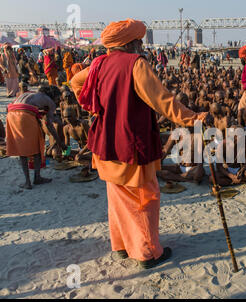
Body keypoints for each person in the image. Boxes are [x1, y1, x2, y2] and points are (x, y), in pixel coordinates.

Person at [71, 19, 210, 269]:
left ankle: (122, 246)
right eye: (139, 40)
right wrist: (195, 117)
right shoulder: (136, 64)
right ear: (131, 42)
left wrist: (96, 107)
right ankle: (148, 253)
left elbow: (76, 83)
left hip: (104, 143)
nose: (141, 44)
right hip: (130, 143)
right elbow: (163, 102)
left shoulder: (98, 63)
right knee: (145, 196)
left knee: (118, 196)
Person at [6, 86, 67, 189]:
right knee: (37, 148)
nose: (58, 101)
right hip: (25, 116)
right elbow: (49, 125)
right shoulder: (49, 101)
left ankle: (27, 182)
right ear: (54, 95)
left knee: (22, 151)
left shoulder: (32, 94)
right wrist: (60, 142)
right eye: (58, 98)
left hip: (11, 116)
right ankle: (37, 178)